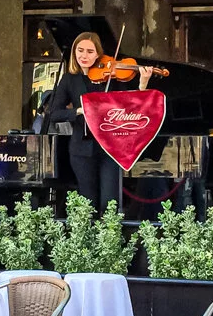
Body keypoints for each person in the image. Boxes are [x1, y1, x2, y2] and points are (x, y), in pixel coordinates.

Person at [48, 32, 153, 213]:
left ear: (98, 54)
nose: (84, 55)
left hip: (110, 148)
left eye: (90, 51)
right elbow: (54, 114)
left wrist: (143, 83)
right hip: (81, 149)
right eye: (80, 50)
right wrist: (79, 111)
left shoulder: (112, 76)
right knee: (87, 202)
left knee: (109, 202)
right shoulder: (69, 80)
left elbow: (132, 105)